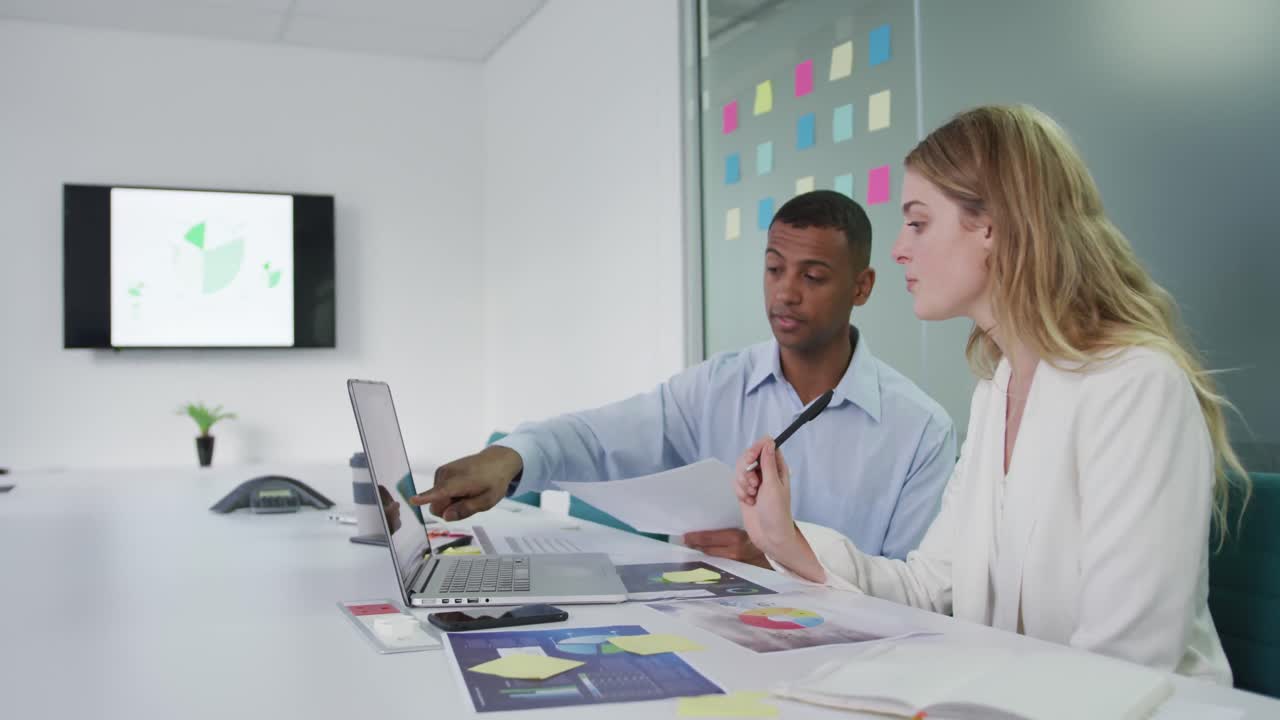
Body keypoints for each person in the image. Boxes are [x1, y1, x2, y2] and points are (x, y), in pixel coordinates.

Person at [734, 105, 1247, 683]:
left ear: (992, 225)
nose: (899, 248)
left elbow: (1123, 665)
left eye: (919, 222)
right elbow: (932, 590)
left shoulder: (1136, 387)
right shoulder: (996, 391)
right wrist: (786, 536)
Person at [412, 191, 956, 566]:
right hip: (708, 641)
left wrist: (784, 560)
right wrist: (512, 458)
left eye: (812, 276)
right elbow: (600, 438)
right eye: (773, 269)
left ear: (862, 287)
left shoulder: (920, 430)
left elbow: (917, 593)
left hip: (848, 663)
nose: (786, 292)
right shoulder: (716, 386)